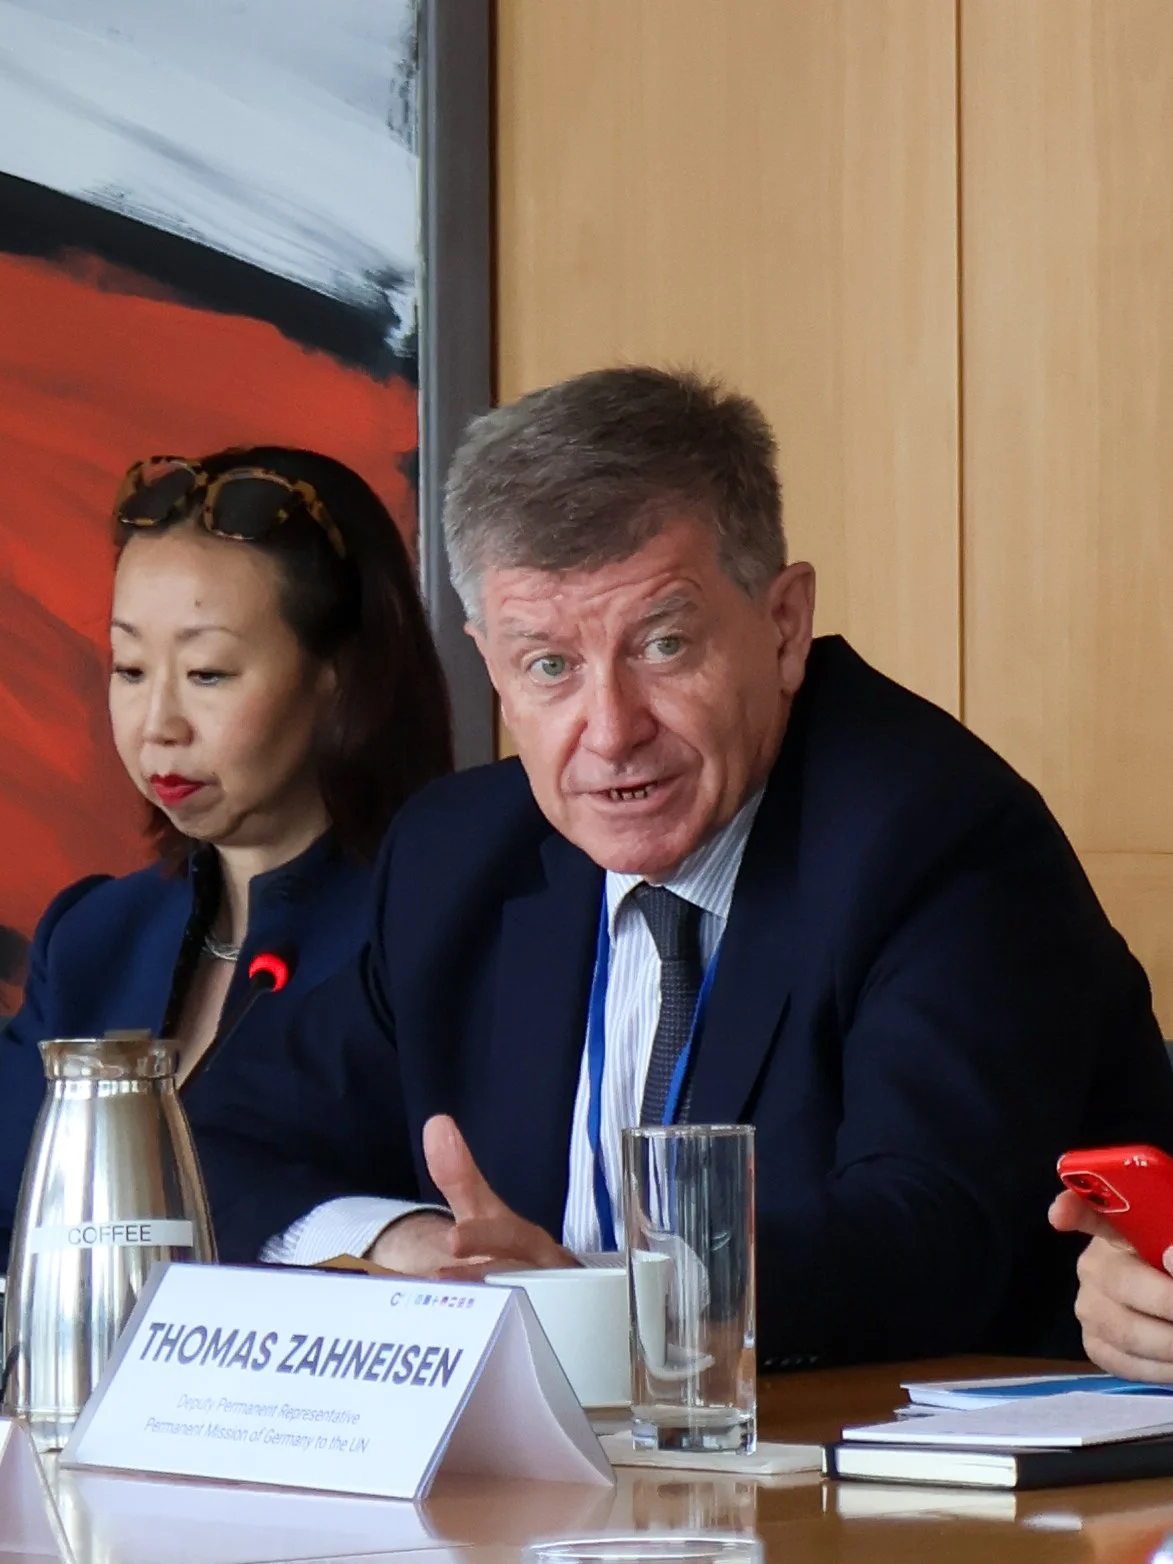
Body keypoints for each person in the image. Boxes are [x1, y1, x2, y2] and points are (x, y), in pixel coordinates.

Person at [196, 369, 1173, 1365]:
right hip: (548, 1498)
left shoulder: (933, 837)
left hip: (876, 1489)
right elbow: (216, 1139)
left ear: (784, 626)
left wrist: (591, 1304)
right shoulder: (459, 858)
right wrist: (411, 1250)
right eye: (550, 667)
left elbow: (930, 1237)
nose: (611, 732)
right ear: (489, 664)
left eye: (663, 646)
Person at [0, 446, 452, 1268]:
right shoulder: (96, 934)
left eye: (207, 673)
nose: (156, 723)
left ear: (341, 679)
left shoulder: (433, 920)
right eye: (130, 668)